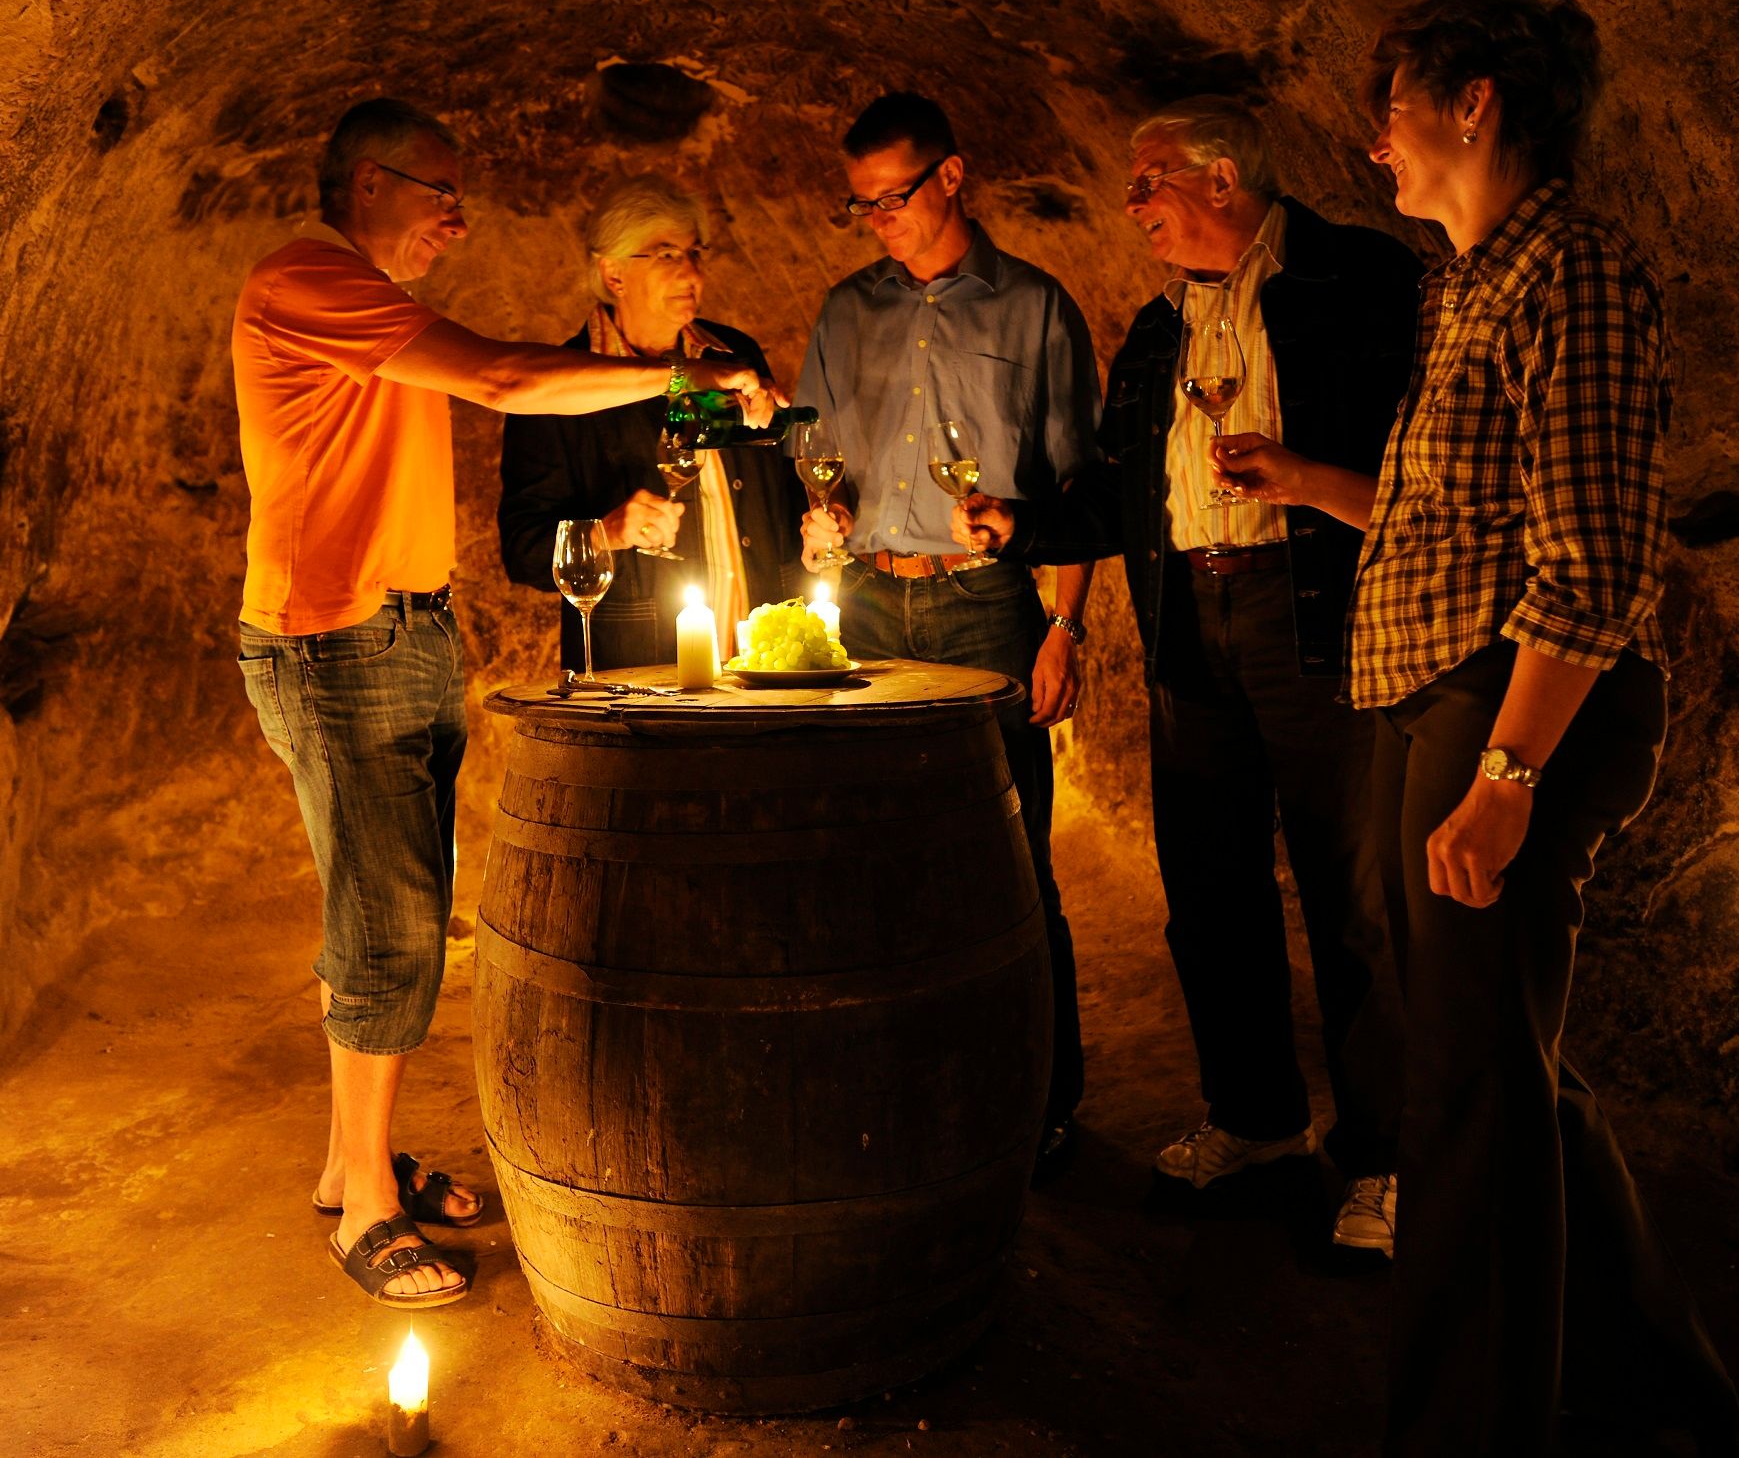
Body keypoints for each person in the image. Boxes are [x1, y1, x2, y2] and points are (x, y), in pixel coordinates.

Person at [1212, 0, 1737, 1455]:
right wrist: (1318, 485)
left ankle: (1465, 1423)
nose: (1375, 140)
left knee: (1463, 1089)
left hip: (1502, 708)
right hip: (1435, 692)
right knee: (1501, 1061)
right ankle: (1653, 1389)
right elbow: (1459, 516)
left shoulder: (1572, 276)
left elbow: (1594, 563)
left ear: (1473, 102)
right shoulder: (1465, 283)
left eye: (1392, 104)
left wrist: (1508, 770)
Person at [232, 98, 777, 1310]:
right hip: (337, 637)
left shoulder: (371, 303)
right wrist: (677, 372)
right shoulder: (307, 279)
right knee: (394, 929)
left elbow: (497, 377)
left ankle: (348, 1161)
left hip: (402, 626)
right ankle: (368, 1208)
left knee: (385, 907)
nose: (460, 216)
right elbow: (501, 377)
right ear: (369, 182)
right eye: (443, 191)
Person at [956, 98, 1420, 1252]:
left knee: (1350, 893)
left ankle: (1386, 1155)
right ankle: (1257, 1116)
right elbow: (1126, 493)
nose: (1131, 203)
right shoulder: (1162, 331)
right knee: (1209, 885)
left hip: (1313, 609)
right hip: (1188, 615)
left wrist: (1306, 473)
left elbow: (1423, 462)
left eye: (1149, 177)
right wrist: (1021, 528)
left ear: (1221, 178)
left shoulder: (1353, 279)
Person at [797, 92, 1099, 1182]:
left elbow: (1075, 491)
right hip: (876, 602)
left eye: (896, 194)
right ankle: (909, 1086)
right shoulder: (846, 311)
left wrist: (1062, 626)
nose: (879, 217)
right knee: (877, 856)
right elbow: (815, 452)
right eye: (862, 203)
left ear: (954, 175)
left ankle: (1044, 1097)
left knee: (1011, 860)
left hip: (984, 604)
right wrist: (823, 510)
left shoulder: (1034, 310)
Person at [499, 175, 808, 665]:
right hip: (640, 671)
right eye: (666, 255)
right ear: (614, 274)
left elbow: (784, 495)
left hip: (760, 661)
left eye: (695, 253)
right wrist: (607, 533)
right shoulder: (559, 386)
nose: (692, 273)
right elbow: (523, 551)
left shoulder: (734, 355)